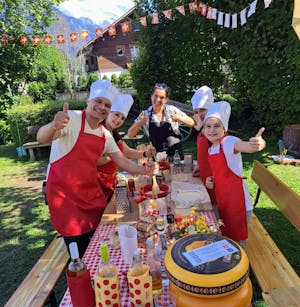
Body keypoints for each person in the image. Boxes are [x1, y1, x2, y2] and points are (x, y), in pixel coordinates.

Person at [37, 80, 158, 258]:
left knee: (97, 246)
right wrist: (53, 126)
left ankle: (99, 278)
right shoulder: (72, 118)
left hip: (89, 194)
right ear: (89, 101)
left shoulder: (105, 135)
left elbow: (123, 161)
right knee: (78, 251)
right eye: (98, 101)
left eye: (107, 105)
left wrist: (145, 170)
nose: (102, 107)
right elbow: (42, 138)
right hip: (66, 199)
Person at [202, 101, 266, 248]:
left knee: (238, 242)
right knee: (227, 238)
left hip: (239, 204)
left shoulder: (229, 142)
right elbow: (220, 173)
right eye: (208, 126)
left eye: (217, 126)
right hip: (224, 201)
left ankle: (243, 269)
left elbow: (246, 146)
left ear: (224, 129)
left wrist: (257, 144)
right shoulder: (212, 149)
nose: (212, 130)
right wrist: (211, 180)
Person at [97, 93, 156, 202]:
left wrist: (145, 153)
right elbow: (96, 161)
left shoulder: (114, 133)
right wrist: (114, 155)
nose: (119, 120)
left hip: (111, 180)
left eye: (122, 118)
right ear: (109, 112)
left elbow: (127, 151)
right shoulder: (99, 131)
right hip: (99, 183)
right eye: (116, 114)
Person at [127, 83, 194, 160]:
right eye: (156, 96)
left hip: (176, 156)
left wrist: (179, 118)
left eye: (162, 97)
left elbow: (191, 123)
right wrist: (140, 122)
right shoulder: (145, 114)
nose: (158, 100)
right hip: (158, 157)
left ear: (166, 100)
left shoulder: (171, 110)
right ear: (151, 96)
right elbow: (130, 134)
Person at [191, 86, 217, 206]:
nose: (199, 114)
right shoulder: (204, 127)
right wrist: (200, 167)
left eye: (202, 110)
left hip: (215, 181)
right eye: (196, 112)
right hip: (205, 178)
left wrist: (201, 127)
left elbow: (216, 146)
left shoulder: (215, 128)